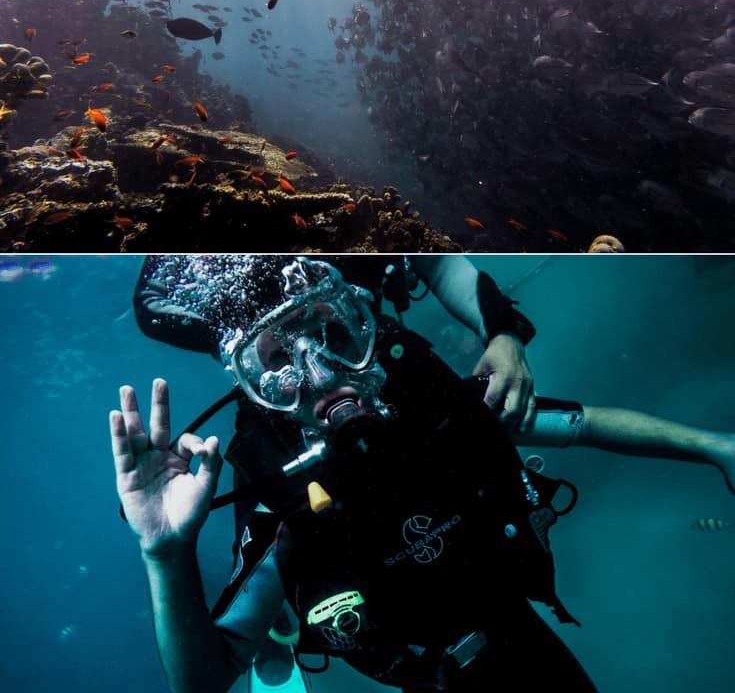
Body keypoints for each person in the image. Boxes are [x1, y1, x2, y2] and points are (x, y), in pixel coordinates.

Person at [111, 255, 735, 693]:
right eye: (278, 360)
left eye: (334, 334)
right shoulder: (277, 483)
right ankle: (277, 626)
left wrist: (717, 446)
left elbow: (580, 421)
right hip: (430, 673)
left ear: (366, 331)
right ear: (252, 385)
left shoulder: (429, 403)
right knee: (273, 604)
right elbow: (203, 681)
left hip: (518, 640)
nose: (323, 372)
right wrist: (164, 553)